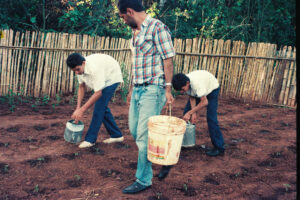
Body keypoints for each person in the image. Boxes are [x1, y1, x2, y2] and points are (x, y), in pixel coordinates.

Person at [117, 0, 175, 194]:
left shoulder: (158, 28)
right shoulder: (136, 32)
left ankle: (143, 179)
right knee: (134, 130)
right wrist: (132, 88)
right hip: (138, 89)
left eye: (123, 17)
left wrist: (167, 89)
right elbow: (137, 63)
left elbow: (168, 58)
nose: (123, 20)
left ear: (130, 11)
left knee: (143, 136)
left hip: (153, 89)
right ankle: (163, 156)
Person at [66, 53, 124, 148]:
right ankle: (116, 135)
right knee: (102, 107)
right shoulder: (79, 70)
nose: (76, 72)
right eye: (74, 71)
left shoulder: (95, 69)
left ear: (83, 63)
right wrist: (78, 108)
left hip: (112, 77)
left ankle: (90, 139)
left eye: (77, 69)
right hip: (103, 75)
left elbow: (98, 93)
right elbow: (81, 87)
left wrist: (82, 110)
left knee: (99, 107)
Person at [172, 70, 225, 156]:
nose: (182, 92)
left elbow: (204, 102)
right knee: (186, 114)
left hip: (212, 89)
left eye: (182, 89)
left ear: (188, 83)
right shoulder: (185, 83)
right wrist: (193, 113)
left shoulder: (196, 85)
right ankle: (185, 143)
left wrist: (190, 112)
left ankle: (219, 148)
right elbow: (192, 96)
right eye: (180, 90)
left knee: (211, 118)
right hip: (200, 88)